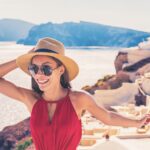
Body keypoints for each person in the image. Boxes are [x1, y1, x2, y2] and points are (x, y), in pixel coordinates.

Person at [0, 37, 149, 150]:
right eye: (34, 69)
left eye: (46, 69)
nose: (39, 75)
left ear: (61, 70)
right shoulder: (31, 99)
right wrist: (20, 60)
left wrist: (136, 122)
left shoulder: (79, 99)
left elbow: (108, 117)